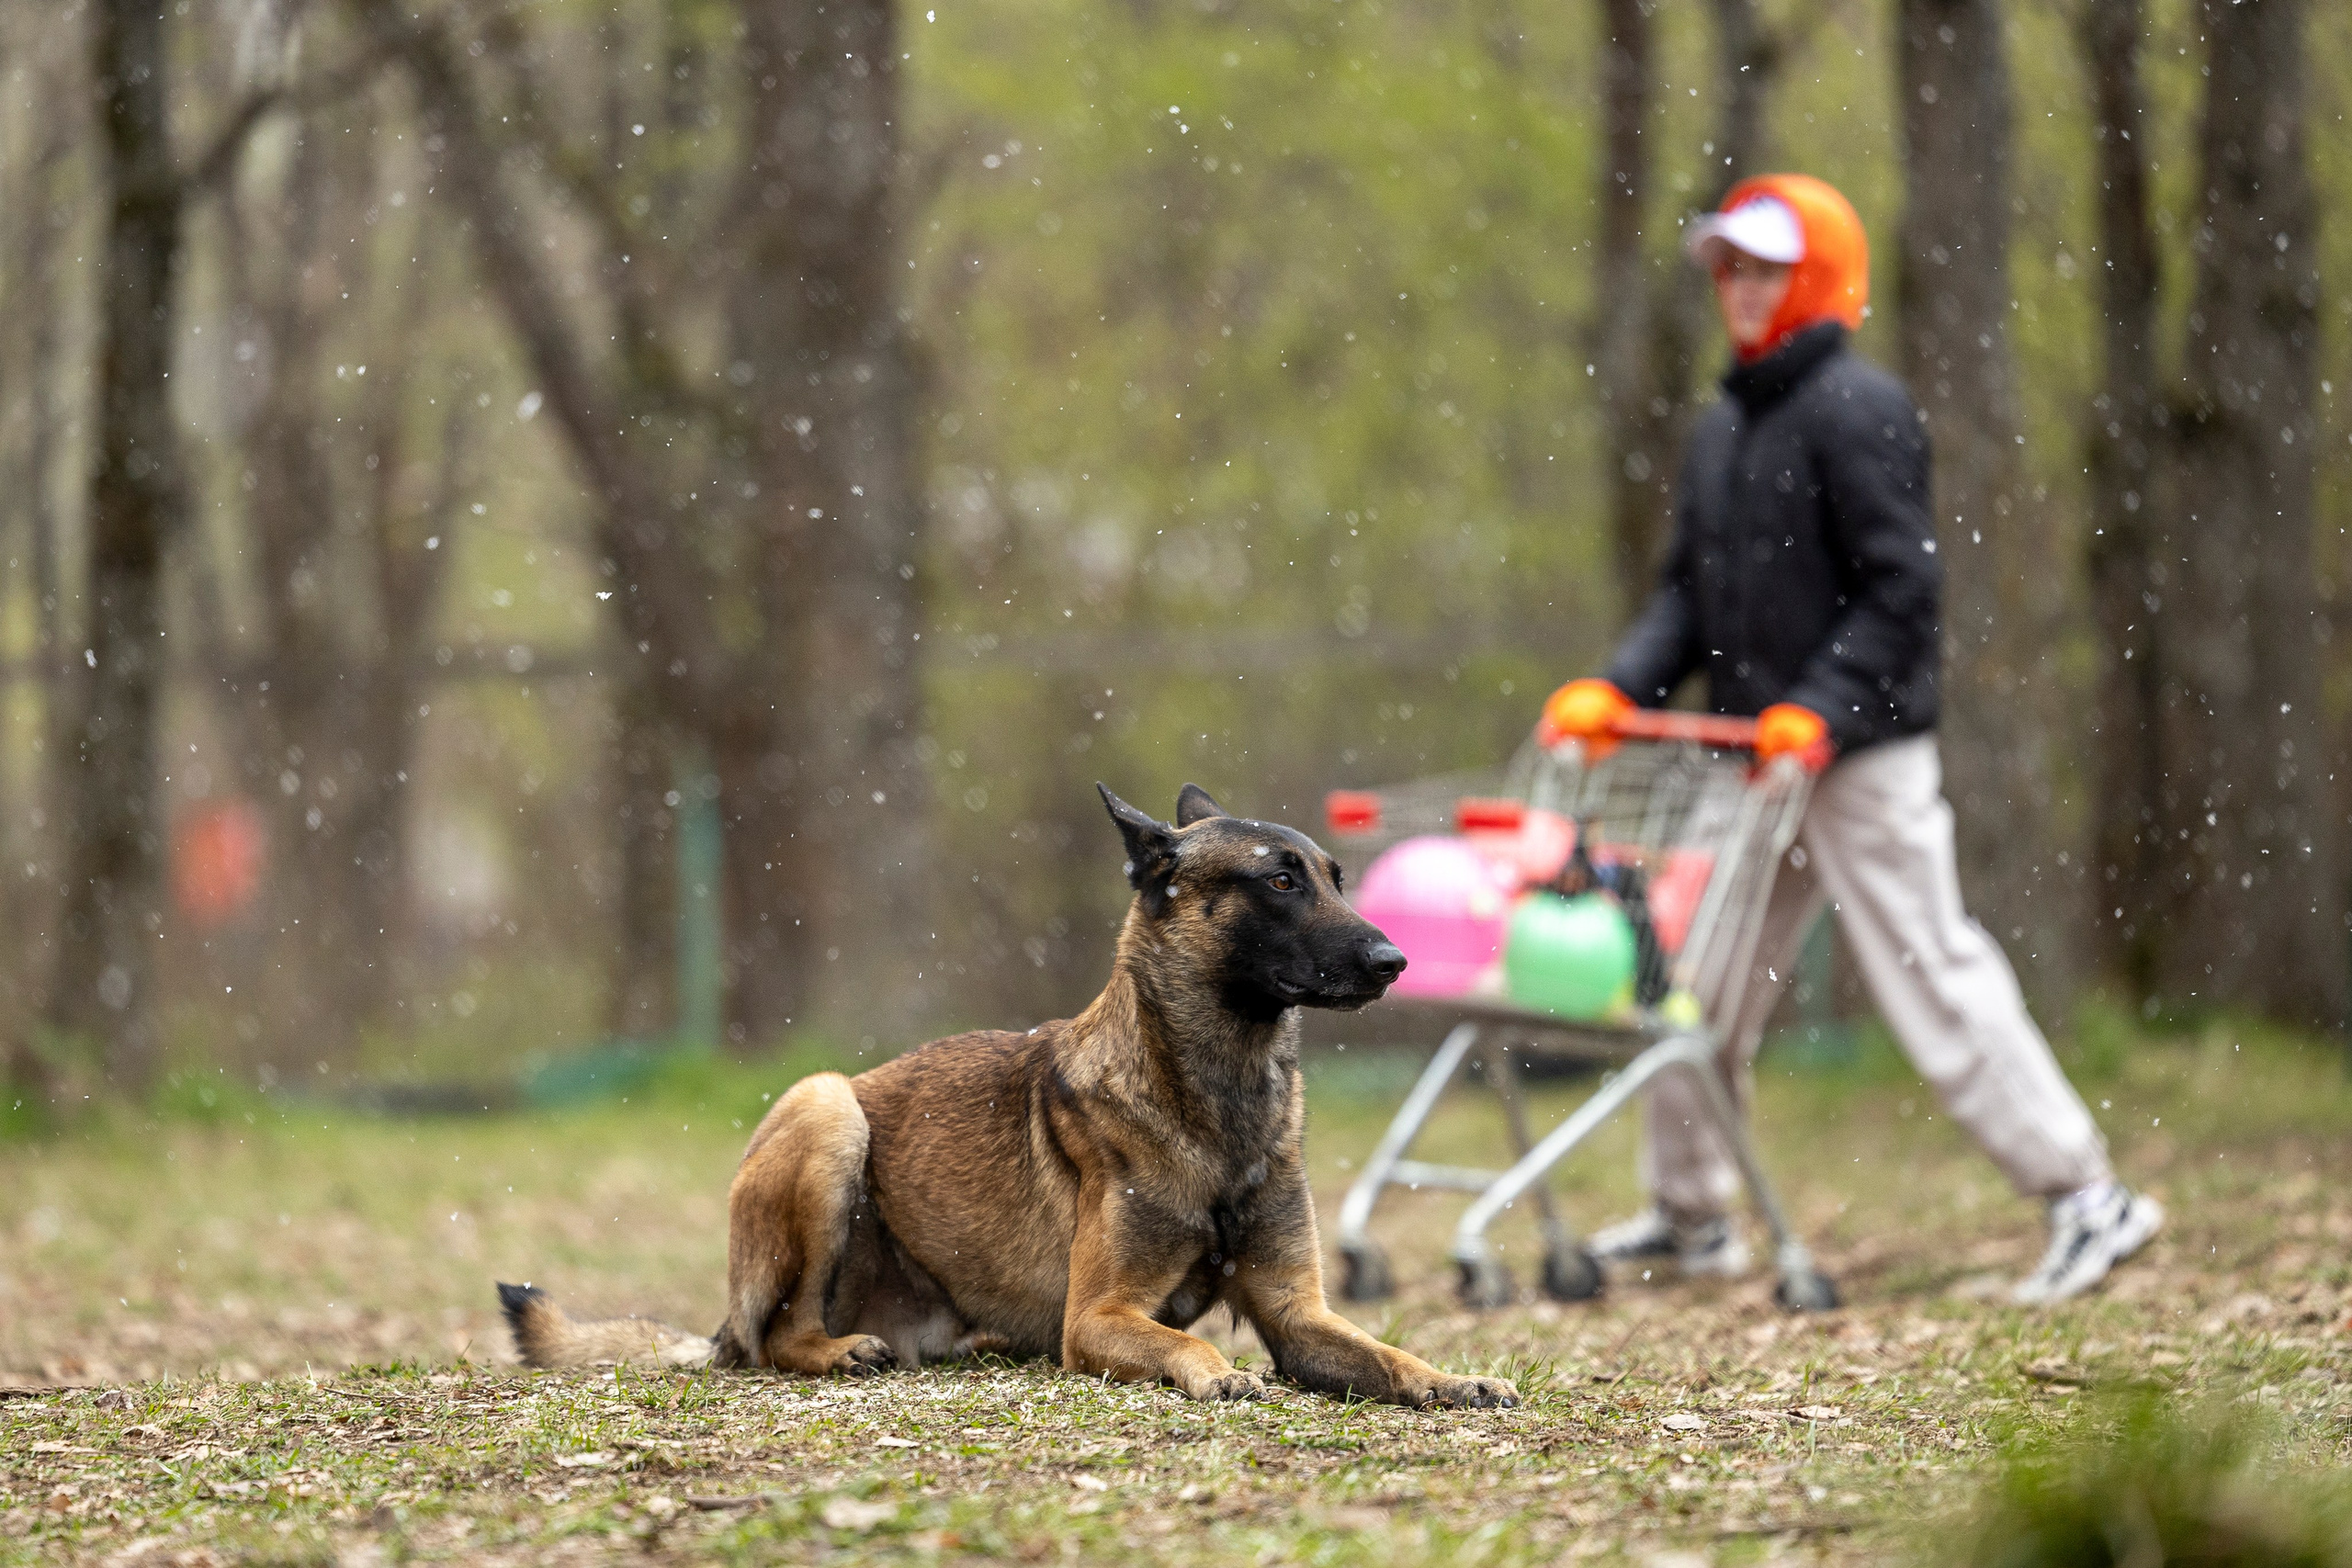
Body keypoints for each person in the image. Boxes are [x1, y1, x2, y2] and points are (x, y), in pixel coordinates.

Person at [1539, 174, 2160, 1307]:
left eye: (1765, 266)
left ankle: (2087, 1199)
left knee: (1935, 978)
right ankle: (1691, 1218)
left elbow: (1902, 595)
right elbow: (1684, 597)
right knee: (1689, 989)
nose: (1739, 287)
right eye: (1727, 265)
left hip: (1861, 764)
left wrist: (1821, 708)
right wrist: (1612, 687)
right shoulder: (1722, 425)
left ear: (1820, 276)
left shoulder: (1858, 410)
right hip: (1754, 766)